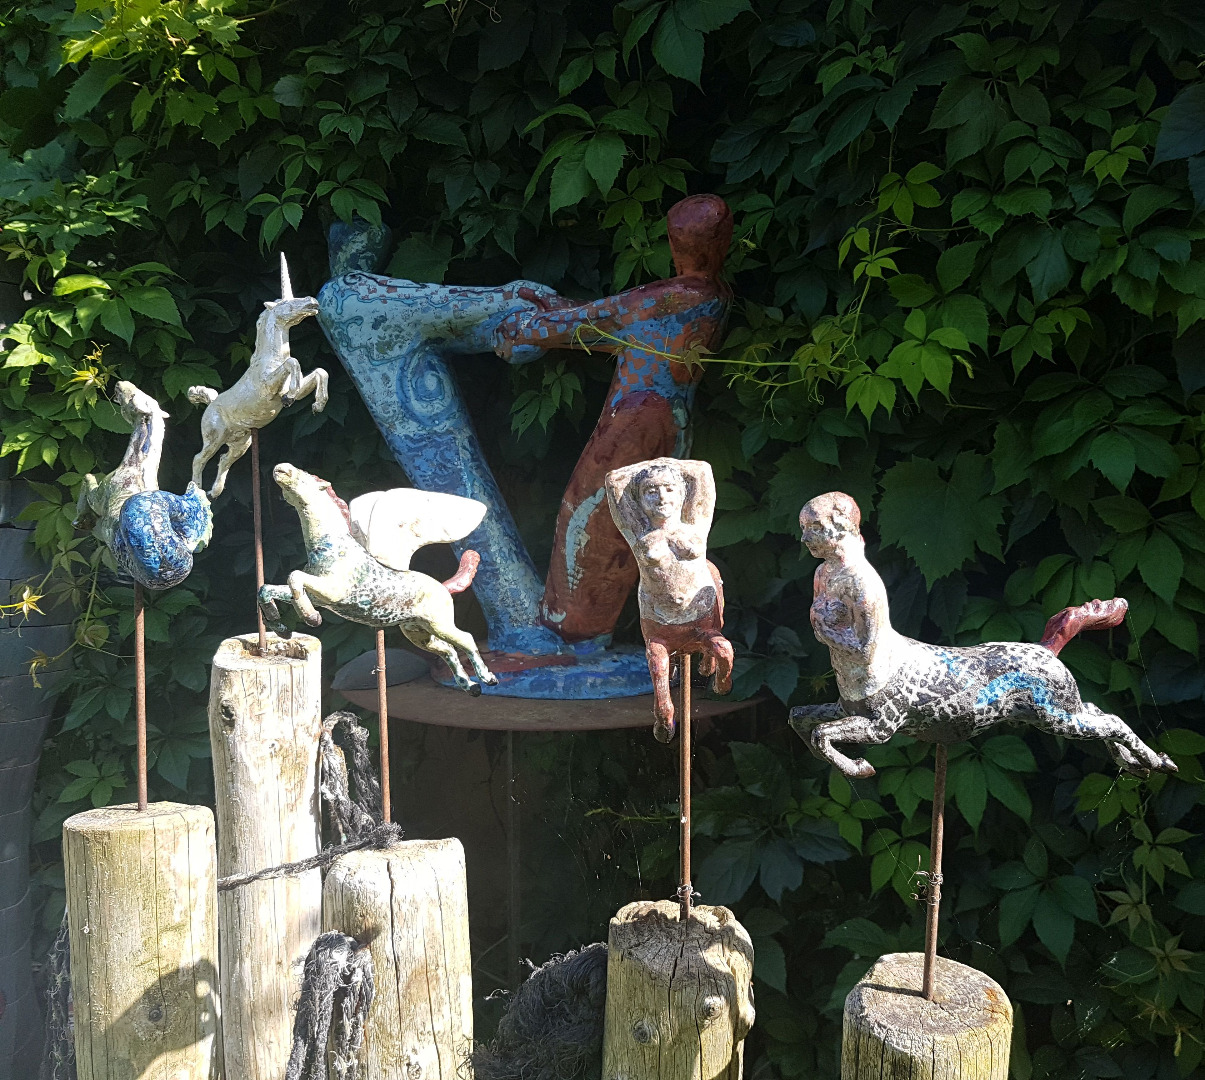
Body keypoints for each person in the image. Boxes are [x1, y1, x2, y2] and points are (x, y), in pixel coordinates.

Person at [494, 194, 733, 644]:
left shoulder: (673, 297)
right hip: (673, 417)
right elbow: (610, 321)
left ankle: (571, 633)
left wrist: (523, 328)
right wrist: (560, 309)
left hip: (635, 418)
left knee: (591, 518)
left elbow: (594, 320)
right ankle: (599, 628)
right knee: (638, 522)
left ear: (672, 241)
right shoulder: (714, 295)